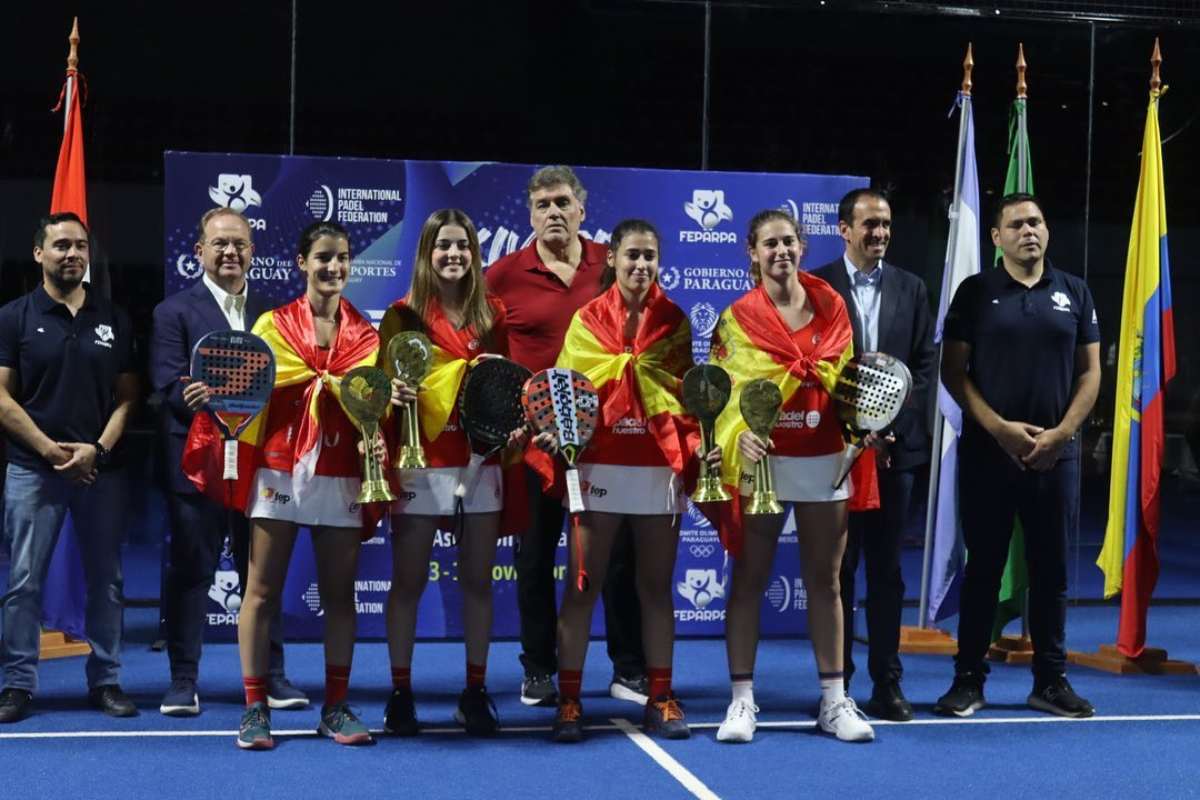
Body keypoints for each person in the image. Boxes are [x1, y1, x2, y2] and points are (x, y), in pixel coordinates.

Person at [185, 221, 383, 749]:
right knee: (262, 591)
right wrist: (218, 400)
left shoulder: (365, 336)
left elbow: (368, 411)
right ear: (302, 263)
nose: (333, 267)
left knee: (341, 596)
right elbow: (248, 399)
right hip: (278, 470)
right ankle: (254, 709)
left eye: (341, 258)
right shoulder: (274, 326)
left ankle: (336, 707)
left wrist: (379, 431)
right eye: (322, 257)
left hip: (339, 473)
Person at [708, 209, 874, 744]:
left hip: (825, 455)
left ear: (802, 247)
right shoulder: (737, 316)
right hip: (767, 461)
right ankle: (741, 701)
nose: (780, 251)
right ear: (752, 253)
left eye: (788, 242)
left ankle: (833, 699)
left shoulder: (831, 304)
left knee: (826, 580)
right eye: (769, 244)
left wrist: (864, 424)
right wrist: (738, 437)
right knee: (750, 579)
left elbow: (848, 378)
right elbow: (725, 394)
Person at [485, 166, 646, 707]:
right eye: (543, 205)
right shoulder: (502, 276)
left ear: (582, 208)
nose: (553, 212)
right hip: (536, 446)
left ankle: (629, 667)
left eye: (562, 202)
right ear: (530, 215)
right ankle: (538, 669)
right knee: (534, 557)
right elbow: (484, 358)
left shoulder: (612, 263)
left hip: (605, 442)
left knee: (617, 555)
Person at [934, 193, 1100, 719]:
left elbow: (1091, 373)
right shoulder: (976, 292)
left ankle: (1050, 682)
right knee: (982, 567)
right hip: (989, 455)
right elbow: (952, 372)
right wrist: (1001, 430)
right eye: (1017, 224)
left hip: (1057, 457)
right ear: (996, 237)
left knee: (1050, 573)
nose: (1030, 230)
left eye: (1037, 221)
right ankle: (968, 680)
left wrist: (1061, 435)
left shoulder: (1074, 291)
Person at [548, 219, 714, 743]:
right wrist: (557, 437)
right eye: (632, 256)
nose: (641, 266)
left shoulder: (674, 322)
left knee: (655, 588)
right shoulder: (586, 322)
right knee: (583, 587)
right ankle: (570, 700)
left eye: (650, 257)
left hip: (655, 471)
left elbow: (685, 400)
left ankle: (661, 697)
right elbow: (564, 392)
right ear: (613, 259)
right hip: (598, 468)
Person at [151, 207, 306, 717]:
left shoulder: (273, 312)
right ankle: (182, 681)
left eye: (239, 243)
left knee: (259, 574)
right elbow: (165, 383)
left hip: (259, 463)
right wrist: (187, 394)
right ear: (199, 252)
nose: (230, 252)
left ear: (252, 252)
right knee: (192, 569)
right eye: (219, 244)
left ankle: (272, 678)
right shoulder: (173, 312)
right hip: (197, 463)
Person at [378, 209, 521, 737]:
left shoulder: (493, 316)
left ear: (475, 254)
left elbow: (506, 390)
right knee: (409, 582)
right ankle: (400, 693)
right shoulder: (403, 316)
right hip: (421, 463)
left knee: (478, 583)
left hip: (479, 463)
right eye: (443, 247)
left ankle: (476, 692)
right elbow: (380, 390)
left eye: (462, 246)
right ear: (426, 254)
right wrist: (391, 395)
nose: (453, 255)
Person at [0, 212, 139, 723]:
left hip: (101, 471)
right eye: (61, 245)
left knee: (107, 581)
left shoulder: (114, 317)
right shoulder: (13, 317)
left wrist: (95, 451)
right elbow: (1, 397)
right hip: (33, 471)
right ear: (39, 253)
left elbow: (129, 397)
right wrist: (50, 451)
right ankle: (18, 684)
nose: (72, 254)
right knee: (23, 581)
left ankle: (105, 679)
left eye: (80, 246)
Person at [811, 189, 935, 722]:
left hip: (893, 457)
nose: (879, 233)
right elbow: (809, 371)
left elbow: (925, 369)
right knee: (838, 571)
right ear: (844, 228)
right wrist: (850, 432)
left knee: (887, 574)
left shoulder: (912, 287)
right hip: (834, 456)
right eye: (869, 225)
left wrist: (889, 428)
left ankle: (888, 683)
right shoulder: (816, 286)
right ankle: (837, 688)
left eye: (885, 224)